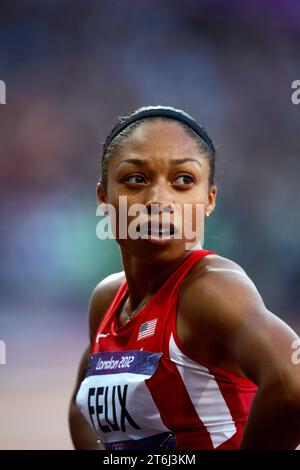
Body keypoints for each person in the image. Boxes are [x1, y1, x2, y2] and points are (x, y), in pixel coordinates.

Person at [69, 105, 300, 450]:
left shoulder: (209, 288)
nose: (158, 200)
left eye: (183, 181)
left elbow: (292, 384)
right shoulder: (107, 299)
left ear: (209, 200)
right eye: (136, 179)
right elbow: (80, 411)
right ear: (104, 197)